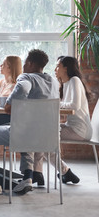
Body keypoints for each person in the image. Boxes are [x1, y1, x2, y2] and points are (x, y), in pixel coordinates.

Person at [0, 49, 59, 195]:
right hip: (49, 137)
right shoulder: (53, 82)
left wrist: (11, 103)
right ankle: (27, 176)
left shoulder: (26, 77)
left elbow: (21, 90)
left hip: (25, 136)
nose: (23, 67)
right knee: (28, 129)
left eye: (25, 63)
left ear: (30, 64)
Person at [34, 56, 92, 184]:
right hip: (72, 127)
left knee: (42, 137)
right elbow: (65, 106)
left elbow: (74, 105)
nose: (55, 69)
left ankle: (42, 172)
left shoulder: (74, 80)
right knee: (42, 136)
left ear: (66, 68)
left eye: (58, 66)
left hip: (80, 130)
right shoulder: (65, 84)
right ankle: (61, 172)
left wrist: (54, 104)